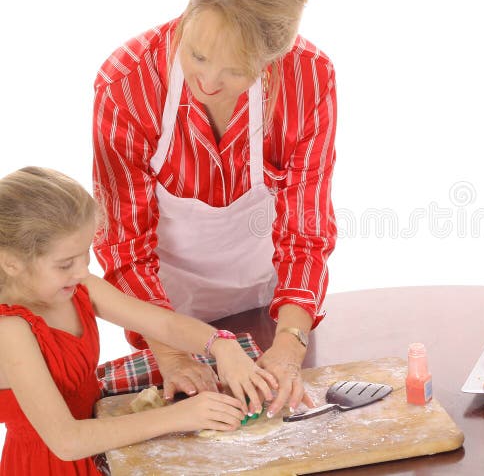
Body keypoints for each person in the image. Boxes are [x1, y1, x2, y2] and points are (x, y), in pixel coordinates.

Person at [92, 0, 336, 417]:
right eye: (197, 55)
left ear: (275, 56)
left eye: (236, 70)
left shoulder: (309, 79)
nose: (207, 82)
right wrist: (171, 350)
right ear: (188, 12)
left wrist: (289, 342)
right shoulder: (128, 83)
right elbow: (123, 243)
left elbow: (304, 232)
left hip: (268, 300)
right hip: (161, 303)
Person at [0, 167, 278, 475]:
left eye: (86, 256)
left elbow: (163, 325)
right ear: (11, 263)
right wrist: (184, 416)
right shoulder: (10, 331)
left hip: (103, 441)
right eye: (66, 263)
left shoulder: (79, 288)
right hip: (51, 465)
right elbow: (67, 441)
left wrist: (222, 345)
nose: (81, 271)